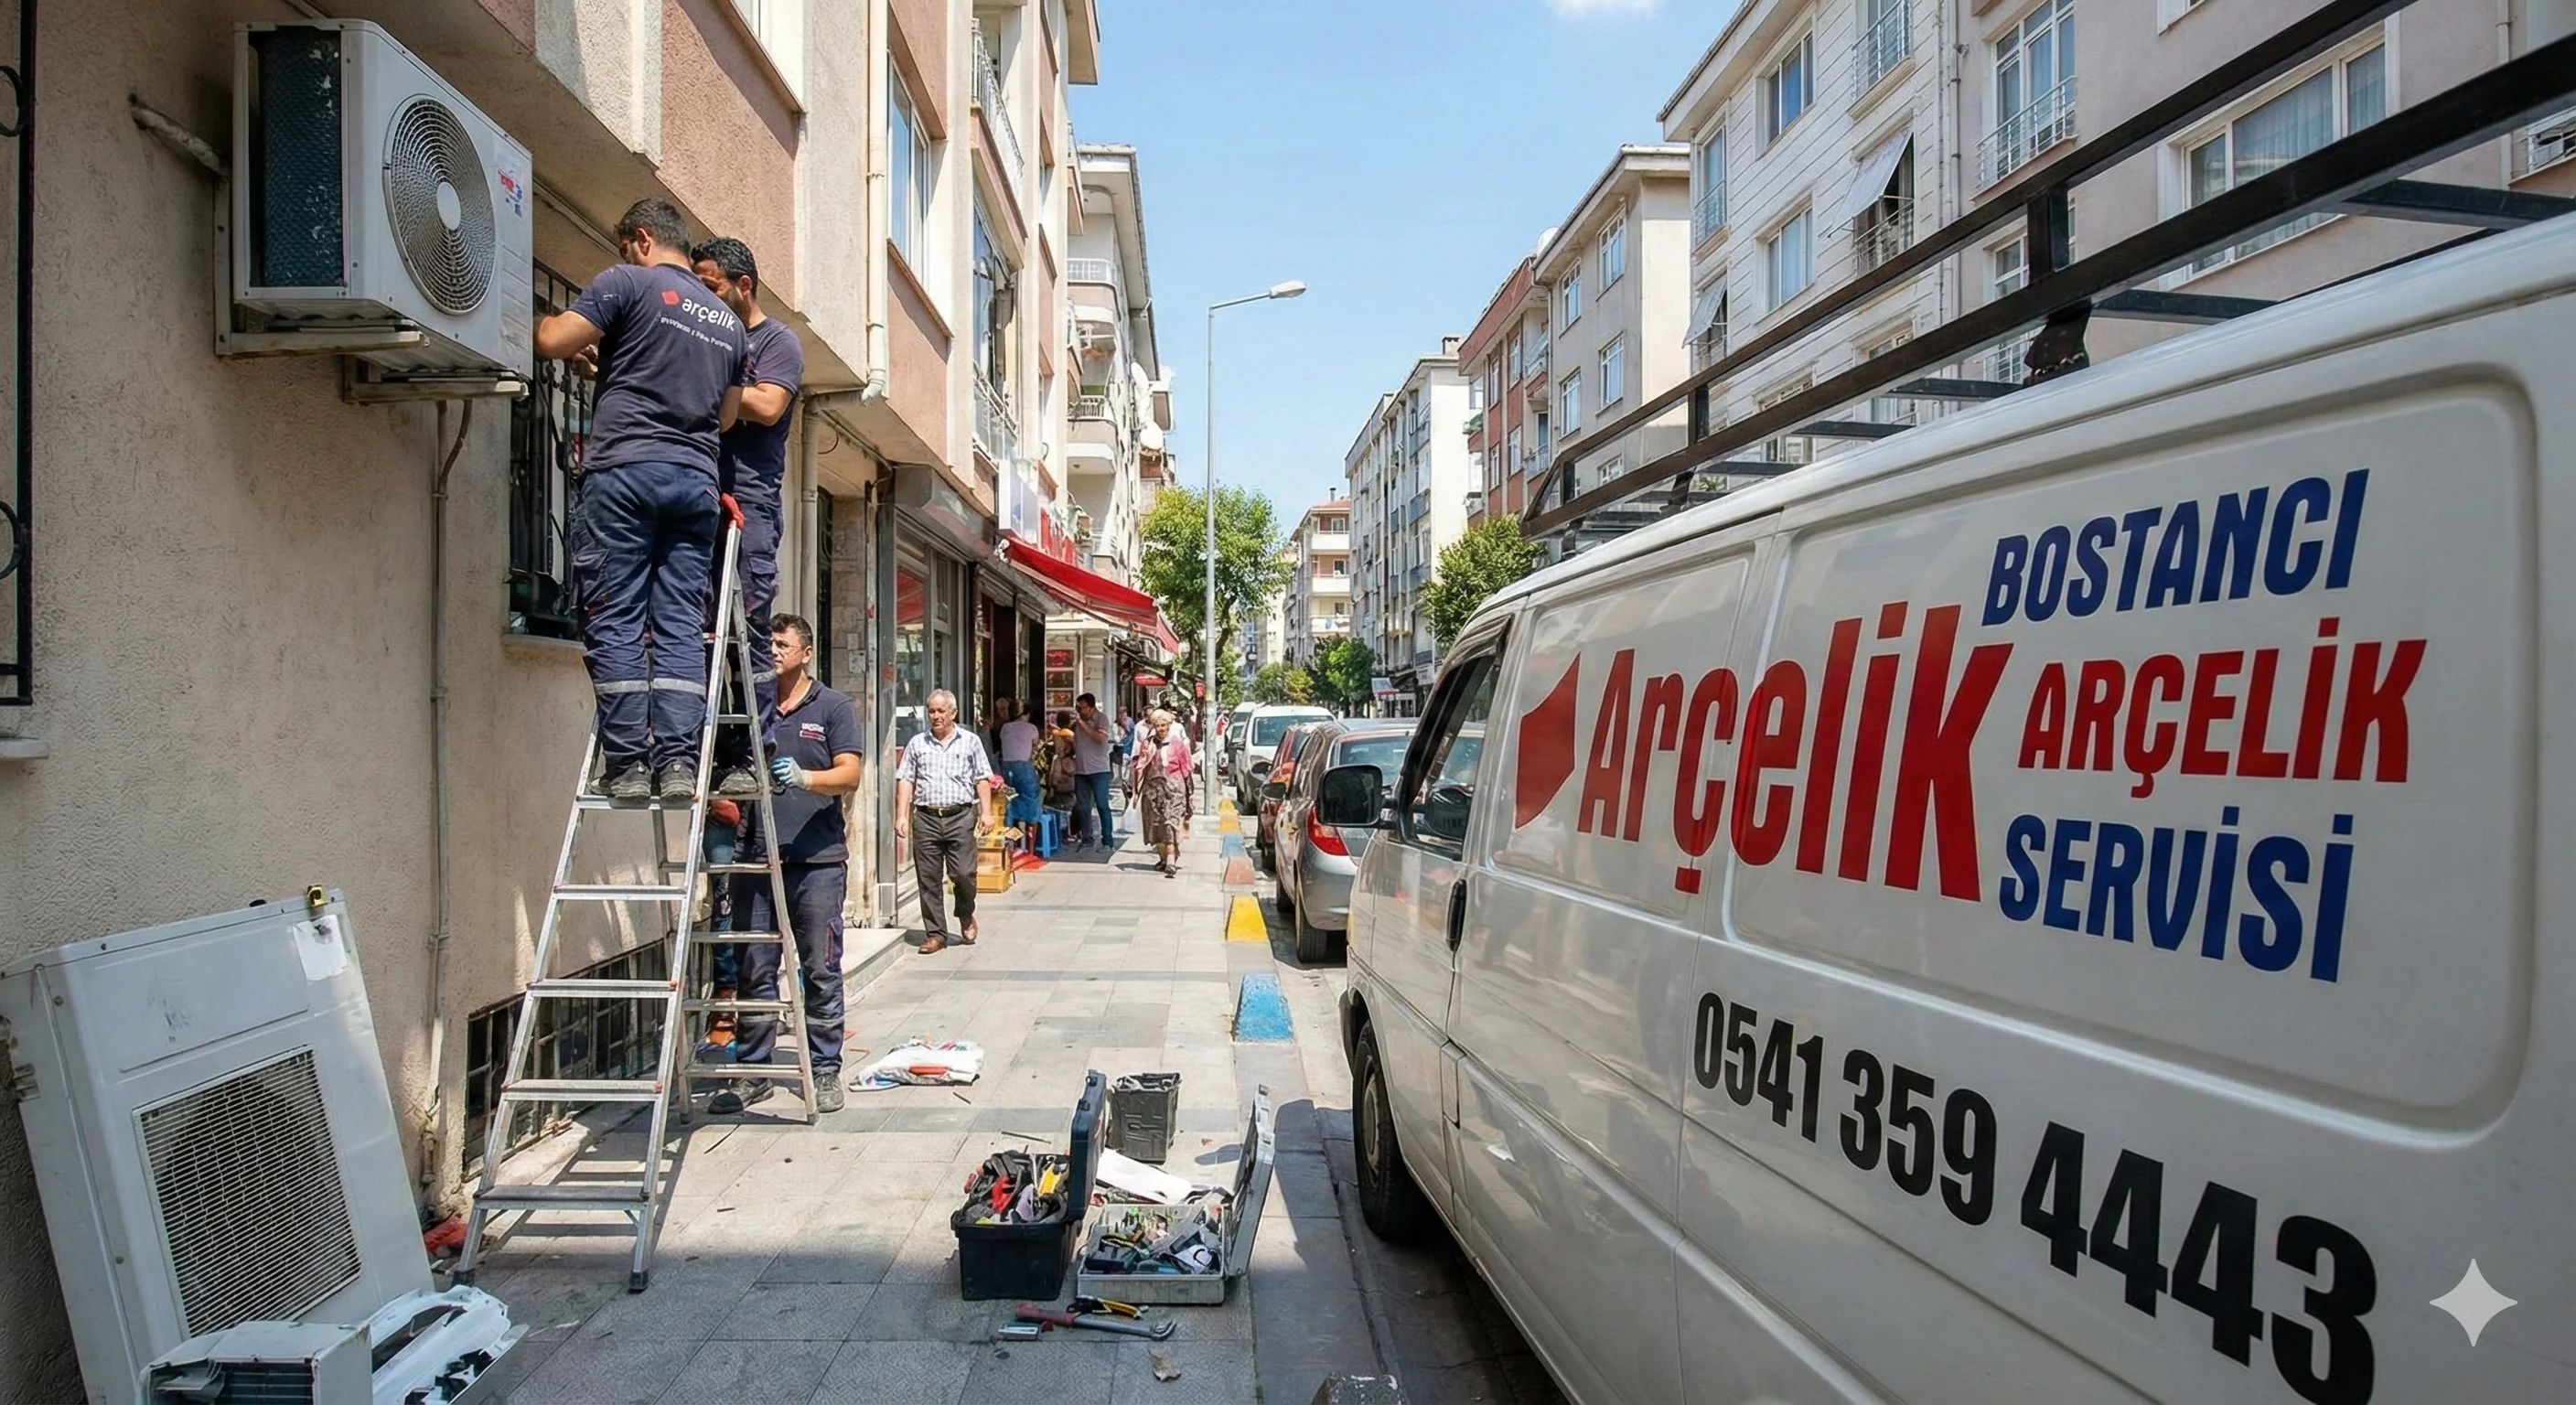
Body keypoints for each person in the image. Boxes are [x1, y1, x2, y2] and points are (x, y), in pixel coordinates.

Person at [540, 199, 748, 802]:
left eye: (625, 247)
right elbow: (726, 416)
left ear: (641, 239)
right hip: (694, 482)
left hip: (626, 473)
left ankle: (630, 764)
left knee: (617, 614)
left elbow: (554, 340)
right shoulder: (728, 323)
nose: (625, 256)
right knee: (680, 620)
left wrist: (529, 319)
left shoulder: (627, 282)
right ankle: (679, 762)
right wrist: (615, 366)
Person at [712, 615, 859, 1116]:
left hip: (816, 861)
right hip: (756, 857)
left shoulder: (833, 706)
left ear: (806, 652)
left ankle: (824, 1069)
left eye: (782, 644)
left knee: (820, 967)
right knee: (754, 967)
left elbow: (851, 773)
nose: (773, 651)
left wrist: (806, 779)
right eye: (768, 644)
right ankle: (753, 1070)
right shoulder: (751, 704)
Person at [691, 237, 805, 799]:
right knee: (695, 627)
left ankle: (750, 751)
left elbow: (766, 405)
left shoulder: (776, 341)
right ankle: (698, 747)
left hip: (749, 504)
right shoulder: (705, 334)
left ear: (743, 286)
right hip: (696, 496)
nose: (702, 297)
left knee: (748, 628)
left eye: (710, 287)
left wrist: (705, 384)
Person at [894, 689, 995, 955]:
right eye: (932, 711)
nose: (936, 716)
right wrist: (901, 815)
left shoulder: (970, 741)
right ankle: (936, 934)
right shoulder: (917, 743)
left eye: (941, 711)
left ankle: (965, 912)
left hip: (960, 817)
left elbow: (982, 778)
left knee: (963, 874)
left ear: (953, 712)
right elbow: (906, 779)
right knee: (928, 879)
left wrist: (987, 812)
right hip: (926, 818)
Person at [1131, 708, 1193, 877]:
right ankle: (1164, 859)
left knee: (1170, 823)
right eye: (1157, 725)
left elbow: (1186, 768)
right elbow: (1140, 767)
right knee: (1156, 824)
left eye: (1164, 725)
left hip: (1174, 791)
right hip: (1153, 791)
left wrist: (1189, 793)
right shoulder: (1148, 744)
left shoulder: (1177, 744)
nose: (1161, 729)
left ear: (1169, 725)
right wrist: (1136, 790)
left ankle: (1171, 860)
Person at [1069, 693, 1117, 849]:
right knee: (1083, 807)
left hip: (1099, 770)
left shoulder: (1102, 719)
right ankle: (1087, 837)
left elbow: (1100, 739)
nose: (1079, 711)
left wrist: (1083, 723)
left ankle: (1107, 840)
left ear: (1091, 708)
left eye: (1081, 708)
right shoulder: (1078, 723)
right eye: (1077, 708)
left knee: (1102, 805)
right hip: (1081, 770)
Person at [994, 696, 1043, 838]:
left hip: (1006, 769)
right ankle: (1030, 846)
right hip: (1025, 768)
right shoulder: (1032, 728)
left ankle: (1009, 844)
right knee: (1032, 804)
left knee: (1009, 804)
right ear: (1026, 714)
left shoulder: (1004, 728)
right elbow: (1035, 747)